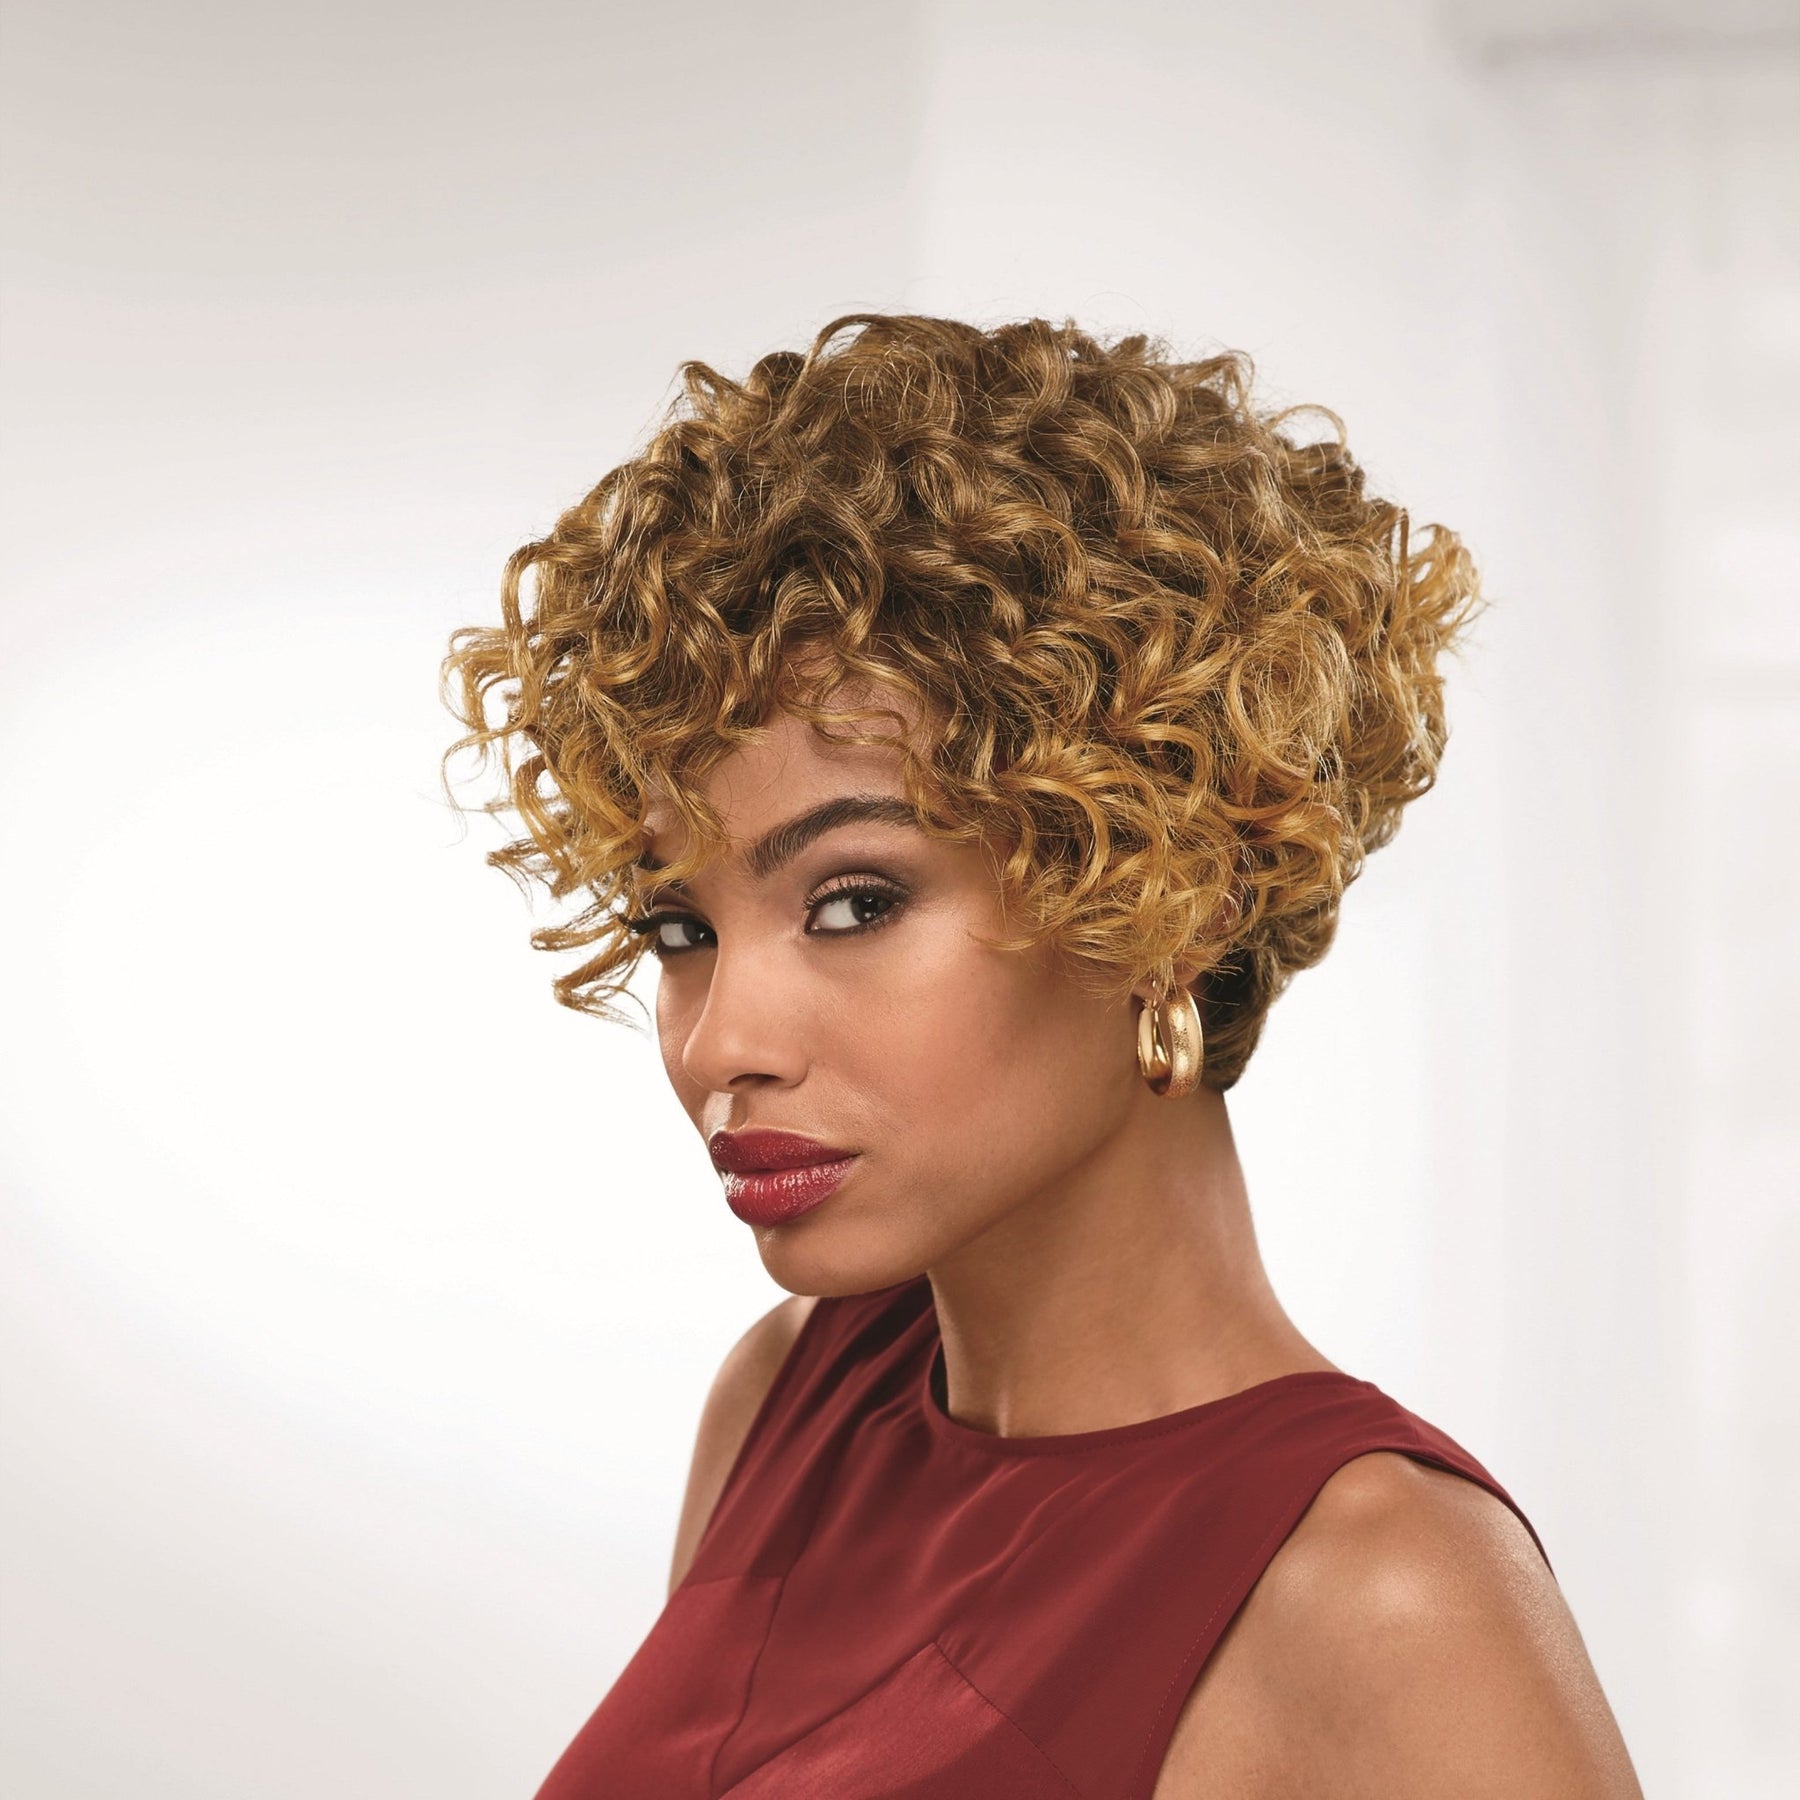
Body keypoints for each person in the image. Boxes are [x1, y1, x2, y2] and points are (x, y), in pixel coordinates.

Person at [440, 314, 1643, 1798]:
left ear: (1167, 891)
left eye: (853, 903)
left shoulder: (1383, 1597)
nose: (721, 1043)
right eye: (679, 928)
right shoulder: (791, 1401)